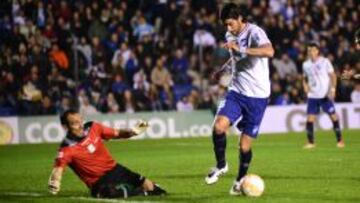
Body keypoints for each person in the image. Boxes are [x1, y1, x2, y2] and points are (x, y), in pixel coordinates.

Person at [205, 3, 274, 195]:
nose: (228, 29)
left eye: (230, 24)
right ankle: (221, 165)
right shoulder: (230, 35)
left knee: (244, 145)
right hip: (236, 91)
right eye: (226, 25)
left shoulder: (255, 32)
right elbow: (235, 56)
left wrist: (242, 49)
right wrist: (224, 69)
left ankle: (239, 181)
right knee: (219, 127)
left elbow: (269, 52)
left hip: (258, 97)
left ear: (240, 18)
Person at [48, 109, 167, 198]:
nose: (80, 125)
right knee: (109, 193)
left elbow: (117, 133)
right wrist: (55, 181)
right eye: (74, 123)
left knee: (156, 190)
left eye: (80, 121)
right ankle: (139, 193)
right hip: (98, 182)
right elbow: (58, 169)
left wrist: (132, 132)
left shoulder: (93, 127)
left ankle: (139, 191)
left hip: (115, 170)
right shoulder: (66, 148)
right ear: (65, 127)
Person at [302, 42, 345, 149]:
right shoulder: (305, 64)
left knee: (333, 116)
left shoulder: (325, 62)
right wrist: (305, 87)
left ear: (317, 51)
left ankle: (340, 140)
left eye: (312, 50)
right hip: (313, 96)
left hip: (324, 95)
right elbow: (304, 78)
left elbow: (333, 76)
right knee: (310, 119)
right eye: (309, 51)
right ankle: (311, 142)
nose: (310, 52)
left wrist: (333, 89)